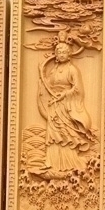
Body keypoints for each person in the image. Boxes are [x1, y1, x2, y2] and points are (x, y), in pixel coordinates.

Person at [37, 41, 95, 173]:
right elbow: (48, 85)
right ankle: (51, 162)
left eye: (64, 52)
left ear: (69, 54)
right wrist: (42, 74)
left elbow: (78, 89)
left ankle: (69, 162)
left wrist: (64, 94)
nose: (62, 54)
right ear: (56, 55)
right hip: (54, 103)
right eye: (59, 52)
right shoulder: (53, 70)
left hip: (66, 105)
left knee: (65, 132)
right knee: (53, 133)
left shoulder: (72, 70)